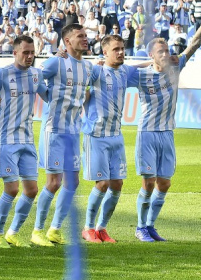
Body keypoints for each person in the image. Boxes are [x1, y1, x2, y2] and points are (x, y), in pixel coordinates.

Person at [0, 35, 48, 248]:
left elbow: (48, 95)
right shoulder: (2, 74)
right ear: (15, 52)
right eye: (25, 52)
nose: (29, 56)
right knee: (12, 189)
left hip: (27, 138)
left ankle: (13, 233)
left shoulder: (36, 74)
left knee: (32, 190)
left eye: (32, 52)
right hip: (6, 138)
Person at [129, 34, 201, 241]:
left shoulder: (175, 68)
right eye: (161, 51)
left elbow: (194, 44)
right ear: (151, 55)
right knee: (149, 182)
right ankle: (140, 227)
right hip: (147, 132)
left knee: (164, 183)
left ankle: (150, 226)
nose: (166, 54)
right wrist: (147, 62)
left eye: (167, 50)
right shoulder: (141, 75)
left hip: (167, 132)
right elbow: (118, 69)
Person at [33, 24, 92, 246]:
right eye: (80, 36)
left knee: (72, 182)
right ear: (67, 41)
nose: (85, 39)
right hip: (54, 130)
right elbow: (34, 76)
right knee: (54, 182)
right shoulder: (56, 62)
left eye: (86, 36)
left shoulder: (88, 67)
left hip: (73, 132)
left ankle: (55, 229)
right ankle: (37, 230)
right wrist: (47, 95)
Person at [81, 34, 139, 244]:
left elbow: (140, 67)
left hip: (116, 135)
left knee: (117, 183)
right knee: (103, 183)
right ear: (105, 52)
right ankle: (87, 228)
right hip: (96, 135)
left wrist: (155, 60)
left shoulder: (124, 71)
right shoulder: (95, 71)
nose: (121, 52)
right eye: (116, 49)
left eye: (122, 48)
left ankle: (102, 228)